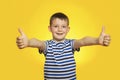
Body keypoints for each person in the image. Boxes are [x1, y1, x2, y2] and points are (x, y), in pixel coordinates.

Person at [16, 12, 111, 80]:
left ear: (68, 29)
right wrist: (28, 42)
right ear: (50, 28)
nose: (60, 29)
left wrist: (97, 40)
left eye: (63, 26)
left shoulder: (71, 44)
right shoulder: (48, 45)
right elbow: (38, 43)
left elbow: (83, 41)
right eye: (56, 26)